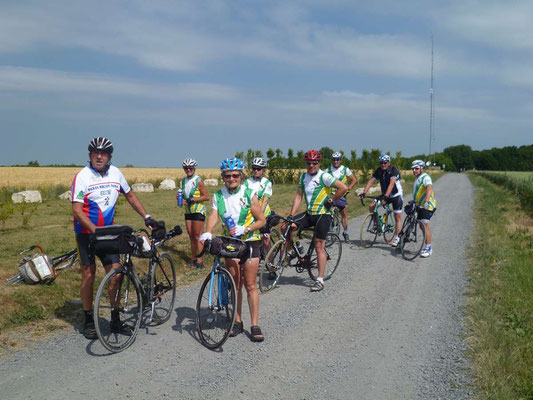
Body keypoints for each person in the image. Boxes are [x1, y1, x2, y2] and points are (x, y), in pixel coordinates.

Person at [71, 137, 159, 339]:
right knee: (89, 275)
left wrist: (146, 217)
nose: (99, 156)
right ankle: (87, 319)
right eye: (95, 152)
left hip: (108, 234)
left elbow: (130, 196)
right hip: (86, 234)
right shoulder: (82, 177)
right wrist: (94, 230)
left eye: (103, 153)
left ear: (109, 156)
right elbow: (77, 210)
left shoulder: (116, 173)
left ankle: (115, 319)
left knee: (116, 275)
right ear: (90, 155)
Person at [199, 157, 266, 342]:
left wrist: (247, 228)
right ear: (223, 177)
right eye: (227, 176)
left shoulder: (249, 192)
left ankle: (254, 324)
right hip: (231, 243)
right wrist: (208, 232)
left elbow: (262, 220)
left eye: (235, 175)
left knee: (250, 285)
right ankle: (237, 321)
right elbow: (213, 215)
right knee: (236, 285)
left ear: (241, 176)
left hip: (250, 241)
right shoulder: (219, 196)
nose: (231, 178)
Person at [286, 150, 347, 292]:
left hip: (323, 215)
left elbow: (343, 188)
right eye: (309, 163)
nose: (311, 165)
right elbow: (298, 197)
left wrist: (331, 200)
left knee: (319, 245)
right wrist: (291, 214)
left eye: (315, 163)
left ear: (319, 163)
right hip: (309, 214)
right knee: (286, 226)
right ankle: (293, 251)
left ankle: (320, 280)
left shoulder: (324, 176)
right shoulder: (303, 177)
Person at [360, 154, 403, 246]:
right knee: (371, 206)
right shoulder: (379, 171)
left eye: (385, 162)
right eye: (381, 163)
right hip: (385, 194)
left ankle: (397, 237)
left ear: (389, 162)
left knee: (397, 217)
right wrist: (364, 192)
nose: (383, 164)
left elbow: (391, 184)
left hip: (396, 195)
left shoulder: (393, 170)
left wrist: (386, 197)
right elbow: (371, 181)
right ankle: (377, 224)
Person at [179, 158, 209, 268]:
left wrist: (193, 200)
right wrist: (180, 198)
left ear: (194, 168)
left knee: (197, 236)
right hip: (188, 211)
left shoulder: (198, 180)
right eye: (186, 168)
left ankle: (200, 261)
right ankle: (193, 258)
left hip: (198, 210)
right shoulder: (183, 181)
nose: (188, 170)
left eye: (190, 168)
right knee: (191, 236)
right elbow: (185, 194)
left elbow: (207, 197)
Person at [326, 151, 358, 242]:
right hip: (331, 194)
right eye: (334, 160)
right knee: (327, 212)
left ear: (340, 160)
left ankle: (345, 232)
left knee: (343, 214)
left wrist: (348, 189)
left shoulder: (345, 169)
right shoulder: (327, 170)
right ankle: (329, 230)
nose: (336, 161)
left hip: (341, 194)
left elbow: (354, 179)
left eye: (338, 159)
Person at [244, 157, 273, 252]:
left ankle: (271, 264)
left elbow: (265, 200)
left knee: (266, 240)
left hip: (263, 214)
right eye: (254, 168)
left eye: (259, 169)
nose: (256, 171)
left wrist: (259, 215)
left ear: (263, 169)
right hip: (250, 214)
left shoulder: (267, 183)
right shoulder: (247, 182)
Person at [411, 160, 437, 257]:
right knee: (421, 226)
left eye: (417, 168)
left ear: (422, 168)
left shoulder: (425, 177)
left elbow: (429, 188)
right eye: (413, 169)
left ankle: (428, 248)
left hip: (427, 205)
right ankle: (427, 246)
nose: (414, 170)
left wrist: (426, 201)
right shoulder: (417, 178)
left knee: (425, 226)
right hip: (419, 205)